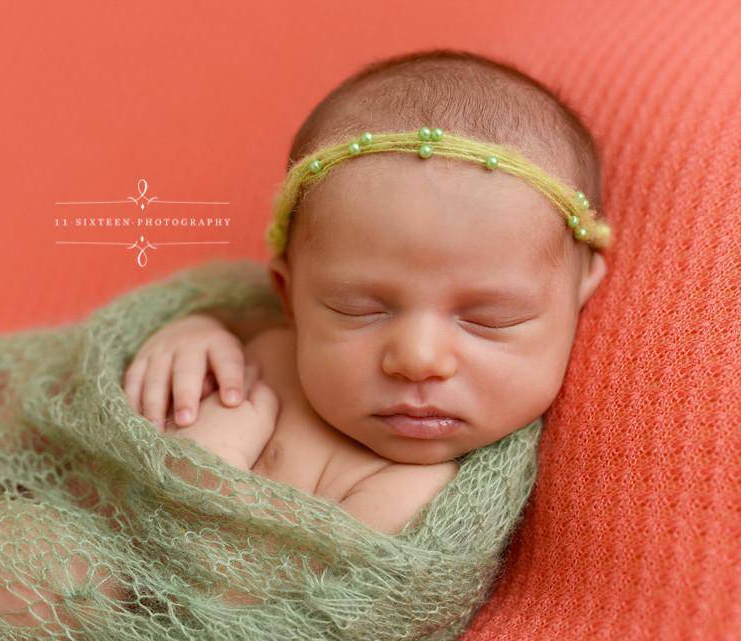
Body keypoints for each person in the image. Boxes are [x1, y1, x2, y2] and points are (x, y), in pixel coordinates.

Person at [123, 48, 611, 536]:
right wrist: (190, 335)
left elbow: (273, 604)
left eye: (489, 319)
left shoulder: (426, 499)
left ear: (579, 292)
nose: (418, 359)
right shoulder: (264, 334)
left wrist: (207, 468)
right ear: (288, 295)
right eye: (357, 310)